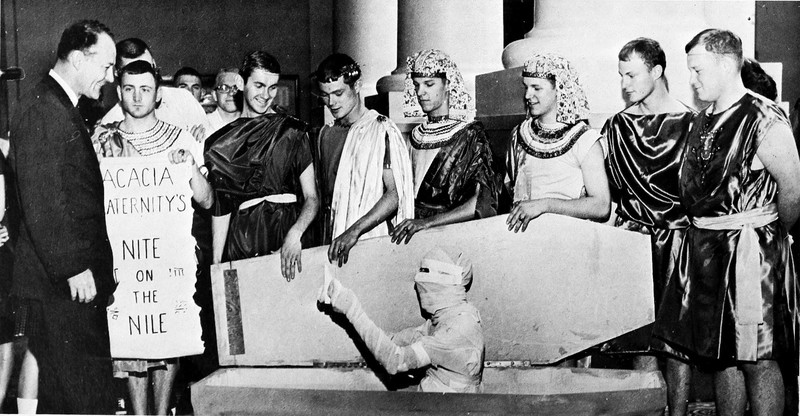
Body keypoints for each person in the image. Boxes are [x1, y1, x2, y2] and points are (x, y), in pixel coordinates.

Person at [654, 29, 800, 416]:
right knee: (721, 356)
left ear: (724, 64)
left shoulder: (764, 118)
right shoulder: (700, 120)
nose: (692, 79)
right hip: (706, 252)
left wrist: (770, 237)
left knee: (758, 358)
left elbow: (793, 192)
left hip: (751, 255)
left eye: (698, 70)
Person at [7, 19, 117, 414]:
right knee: (87, 398)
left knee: (70, 396)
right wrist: (72, 266)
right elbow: (43, 200)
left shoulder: (56, 106)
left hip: (63, 286)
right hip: (64, 286)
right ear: (77, 58)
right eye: (106, 66)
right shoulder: (44, 110)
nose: (110, 77)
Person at [92, 59, 211, 415]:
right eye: (129, 89)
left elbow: (207, 199)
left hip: (169, 255)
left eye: (145, 89)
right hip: (124, 255)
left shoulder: (181, 137)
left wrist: (189, 167)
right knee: (131, 337)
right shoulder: (103, 139)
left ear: (158, 94)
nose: (137, 97)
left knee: (167, 336)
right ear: (119, 91)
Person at [601, 38, 695, 416]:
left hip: (679, 244)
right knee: (639, 341)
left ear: (656, 72)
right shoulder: (618, 126)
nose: (625, 84)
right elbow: (609, 193)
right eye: (621, 75)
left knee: (678, 345)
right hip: (634, 243)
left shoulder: (692, 123)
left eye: (632, 75)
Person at [204, 51, 318, 282]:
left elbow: (312, 198)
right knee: (243, 304)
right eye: (259, 85)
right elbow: (222, 208)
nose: (266, 95)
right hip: (244, 240)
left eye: (272, 87)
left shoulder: (292, 131)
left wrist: (295, 234)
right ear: (241, 83)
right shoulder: (221, 143)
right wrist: (217, 264)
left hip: (288, 238)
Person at [319, 247, 484, 393]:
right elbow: (393, 341)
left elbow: (395, 361)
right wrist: (346, 308)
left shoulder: (457, 329)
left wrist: (352, 310)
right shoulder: (451, 316)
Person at [312, 53, 413, 265]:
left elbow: (394, 194)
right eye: (325, 95)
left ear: (357, 86)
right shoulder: (326, 134)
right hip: (332, 242)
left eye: (338, 93)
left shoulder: (381, 130)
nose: (331, 102)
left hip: (368, 241)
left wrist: (354, 231)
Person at [390, 49, 497, 245]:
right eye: (417, 85)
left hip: (450, 233)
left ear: (448, 83)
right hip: (411, 231)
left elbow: (479, 202)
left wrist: (426, 223)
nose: (420, 92)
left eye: (429, 84)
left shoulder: (470, 135)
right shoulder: (414, 136)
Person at [504, 53, 610, 233]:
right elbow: (511, 188)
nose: (528, 95)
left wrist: (544, 205)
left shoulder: (585, 140)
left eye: (537, 88)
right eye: (526, 87)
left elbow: (601, 206)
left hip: (566, 237)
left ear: (559, 89)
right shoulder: (519, 134)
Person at [100, 38, 211, 143]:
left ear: (154, 64)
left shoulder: (184, 99)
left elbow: (208, 138)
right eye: (134, 71)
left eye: (148, 67)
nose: (144, 76)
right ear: (117, 74)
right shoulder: (110, 123)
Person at [206, 67, 243, 135]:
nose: (231, 93)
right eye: (224, 88)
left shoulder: (251, 124)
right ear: (214, 95)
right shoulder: (204, 124)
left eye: (236, 88)